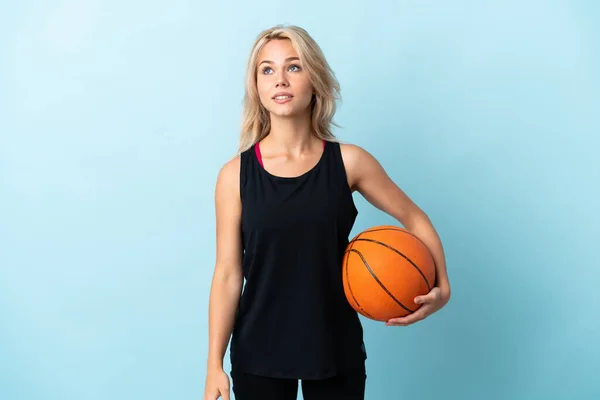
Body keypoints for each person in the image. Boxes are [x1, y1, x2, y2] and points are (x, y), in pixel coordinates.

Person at [203, 24, 451, 400]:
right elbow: (227, 274)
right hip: (259, 349)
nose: (280, 80)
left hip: (335, 345)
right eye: (267, 70)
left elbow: (415, 219)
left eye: (294, 67)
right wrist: (214, 365)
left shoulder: (350, 162)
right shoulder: (234, 176)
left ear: (314, 79)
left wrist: (442, 286)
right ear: (256, 86)